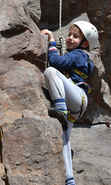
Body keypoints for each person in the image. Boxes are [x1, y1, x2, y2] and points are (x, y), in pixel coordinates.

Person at [41, 21, 99, 185]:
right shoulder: (80, 57)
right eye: (69, 35)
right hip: (76, 104)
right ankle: (69, 179)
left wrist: (52, 41)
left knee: (50, 71)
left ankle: (60, 108)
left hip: (76, 97)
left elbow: (55, 63)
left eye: (75, 36)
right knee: (63, 140)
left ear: (85, 43)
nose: (69, 38)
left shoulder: (79, 54)